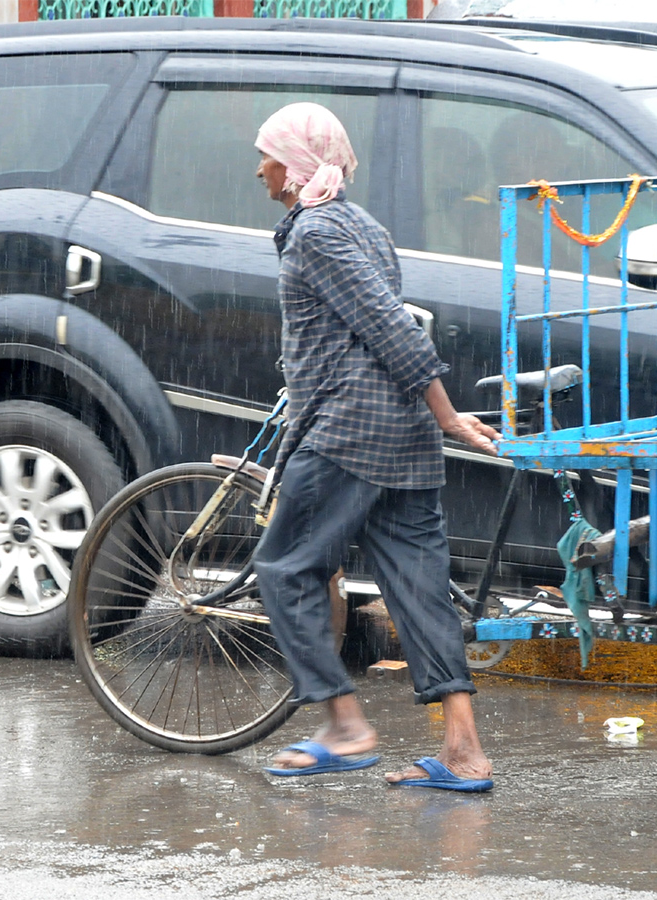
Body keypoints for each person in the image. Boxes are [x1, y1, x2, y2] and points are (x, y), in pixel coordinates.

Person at [251, 101, 498, 792]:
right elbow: (371, 326)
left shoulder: (317, 234)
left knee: (287, 568)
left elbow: (394, 331)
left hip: (349, 431)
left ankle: (345, 725)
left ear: (295, 167)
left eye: (268, 155)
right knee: (419, 590)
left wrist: (449, 416)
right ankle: (463, 752)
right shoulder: (360, 224)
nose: (260, 168)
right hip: (402, 441)